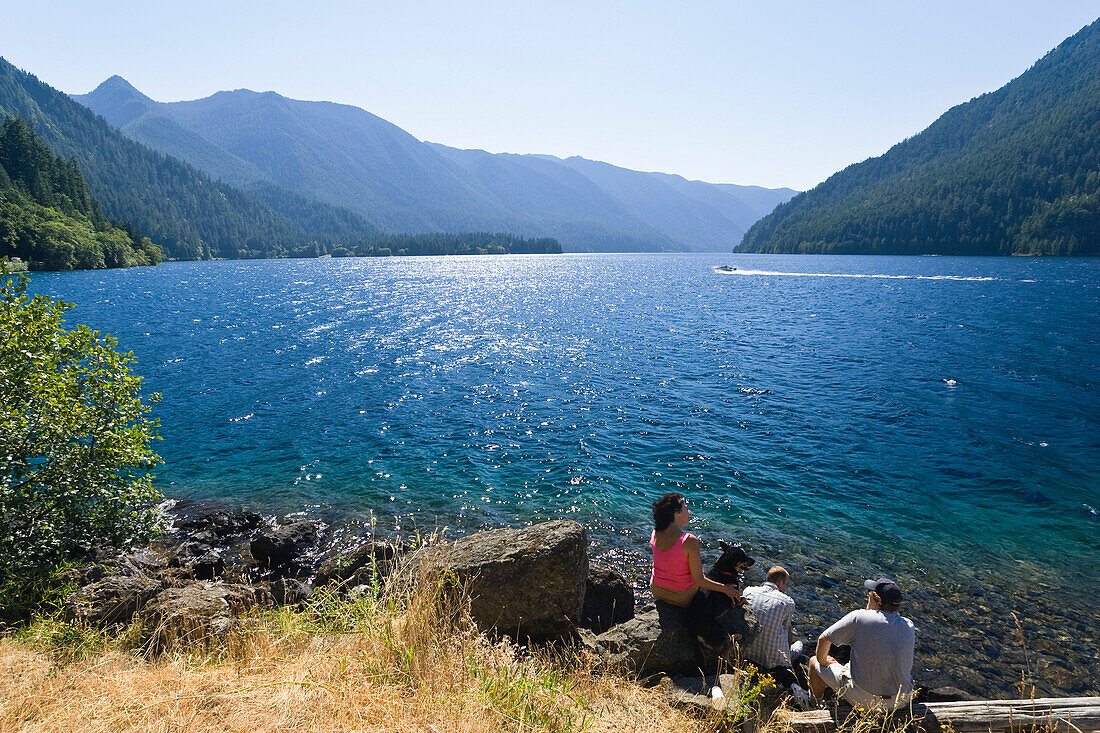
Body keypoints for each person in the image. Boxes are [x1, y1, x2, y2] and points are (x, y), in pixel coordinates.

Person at [808, 577, 916, 711]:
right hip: (901, 700)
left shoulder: (860, 617)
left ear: (878, 600)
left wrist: (823, 662)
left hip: (865, 701)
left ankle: (814, 704)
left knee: (814, 662)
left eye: (869, 595)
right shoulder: (909, 625)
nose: (867, 598)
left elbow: (823, 639)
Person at [650, 493, 741, 625]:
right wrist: (726, 589)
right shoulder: (689, 541)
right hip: (682, 597)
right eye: (686, 508)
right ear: (677, 513)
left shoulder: (655, 532)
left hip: (657, 590)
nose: (690, 512)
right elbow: (699, 580)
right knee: (712, 589)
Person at [742, 566, 814, 710]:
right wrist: (787, 652)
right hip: (773, 661)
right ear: (781, 582)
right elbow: (787, 631)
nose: (786, 588)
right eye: (786, 584)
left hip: (747, 653)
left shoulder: (748, 591)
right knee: (798, 644)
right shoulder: (788, 602)